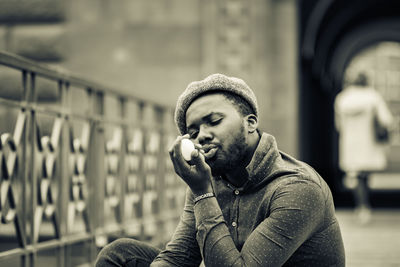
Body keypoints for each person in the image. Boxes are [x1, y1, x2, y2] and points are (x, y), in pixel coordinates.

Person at [96, 73, 345, 266]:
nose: (202, 136)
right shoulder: (208, 179)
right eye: (193, 133)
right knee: (120, 255)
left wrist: (203, 193)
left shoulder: (297, 188)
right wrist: (201, 190)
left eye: (214, 121)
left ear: (250, 123)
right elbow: (180, 258)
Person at [334, 71, 393, 224]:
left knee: (356, 174)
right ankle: (364, 205)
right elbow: (386, 120)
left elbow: (338, 125)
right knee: (365, 175)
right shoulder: (373, 97)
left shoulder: (342, 98)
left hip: (350, 143)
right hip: (369, 142)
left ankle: (361, 206)